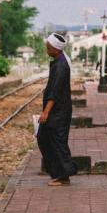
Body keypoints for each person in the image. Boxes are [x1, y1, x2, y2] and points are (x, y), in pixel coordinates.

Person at [38, 33, 78, 186]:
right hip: (57, 111)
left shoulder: (61, 65)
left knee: (57, 142)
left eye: (48, 47)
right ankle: (58, 173)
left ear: (56, 49)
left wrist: (45, 112)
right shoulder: (58, 62)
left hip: (58, 112)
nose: (46, 49)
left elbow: (55, 91)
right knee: (45, 137)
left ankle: (64, 175)